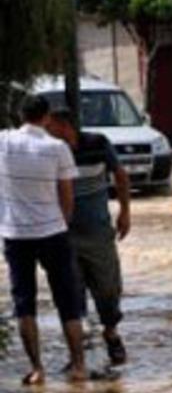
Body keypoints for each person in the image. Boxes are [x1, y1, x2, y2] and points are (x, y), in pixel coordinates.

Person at [0, 96, 88, 384]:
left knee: (24, 303)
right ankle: (78, 366)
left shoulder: (4, 142)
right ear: (47, 117)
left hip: (15, 233)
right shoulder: (57, 148)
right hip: (53, 232)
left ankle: (37, 368)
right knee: (67, 299)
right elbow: (67, 193)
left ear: (18, 115)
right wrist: (62, 222)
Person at [45, 108, 131, 366]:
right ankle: (78, 354)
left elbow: (120, 175)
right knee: (71, 292)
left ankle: (111, 333)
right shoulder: (49, 152)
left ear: (64, 126)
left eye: (51, 126)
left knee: (108, 288)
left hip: (98, 233)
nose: (47, 131)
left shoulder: (97, 143)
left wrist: (125, 211)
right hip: (63, 234)